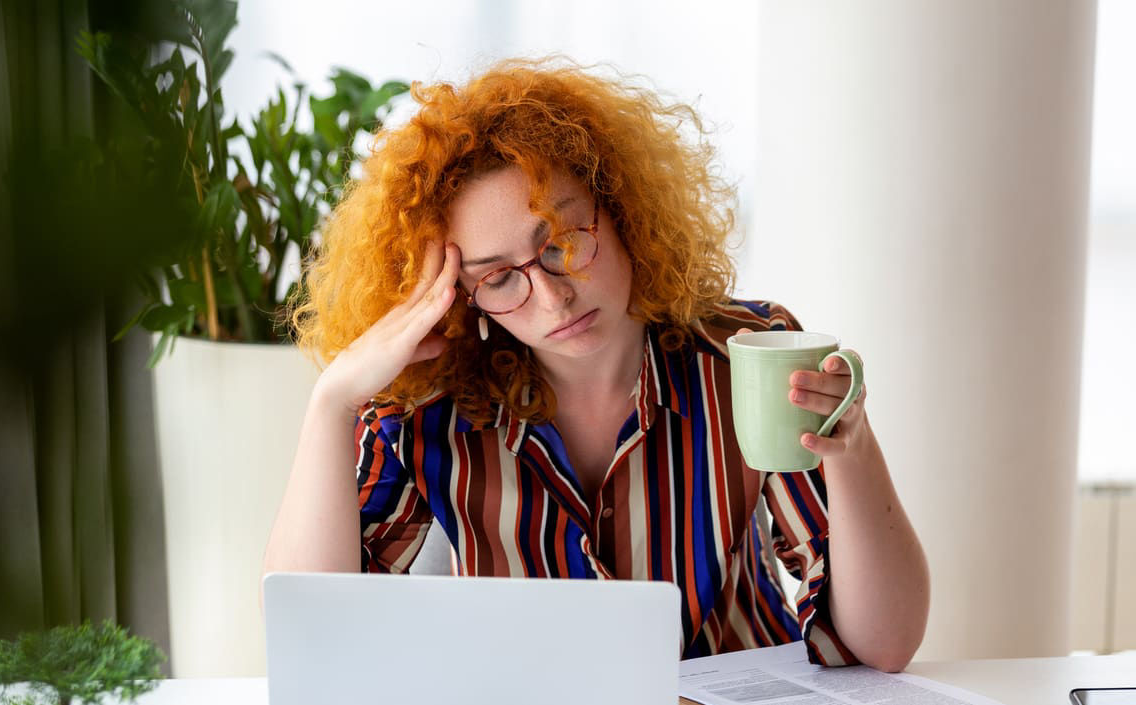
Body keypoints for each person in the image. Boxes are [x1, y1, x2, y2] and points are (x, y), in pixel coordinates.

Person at [262, 57, 929, 671]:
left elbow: (885, 644)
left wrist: (852, 446)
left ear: (619, 206)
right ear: (463, 297)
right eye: (498, 278)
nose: (552, 296)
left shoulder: (745, 352)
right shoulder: (427, 405)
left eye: (561, 241)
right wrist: (332, 401)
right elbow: (313, 637)